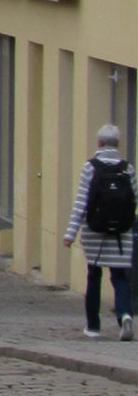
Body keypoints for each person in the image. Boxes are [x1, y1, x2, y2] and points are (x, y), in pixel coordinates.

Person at [63, 123, 135, 339]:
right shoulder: (127, 168)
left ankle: (93, 326)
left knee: (94, 276)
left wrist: (70, 233)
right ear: (118, 144)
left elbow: (81, 203)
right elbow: (134, 200)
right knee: (120, 277)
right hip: (121, 233)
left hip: (94, 231)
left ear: (99, 143)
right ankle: (125, 315)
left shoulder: (90, 167)